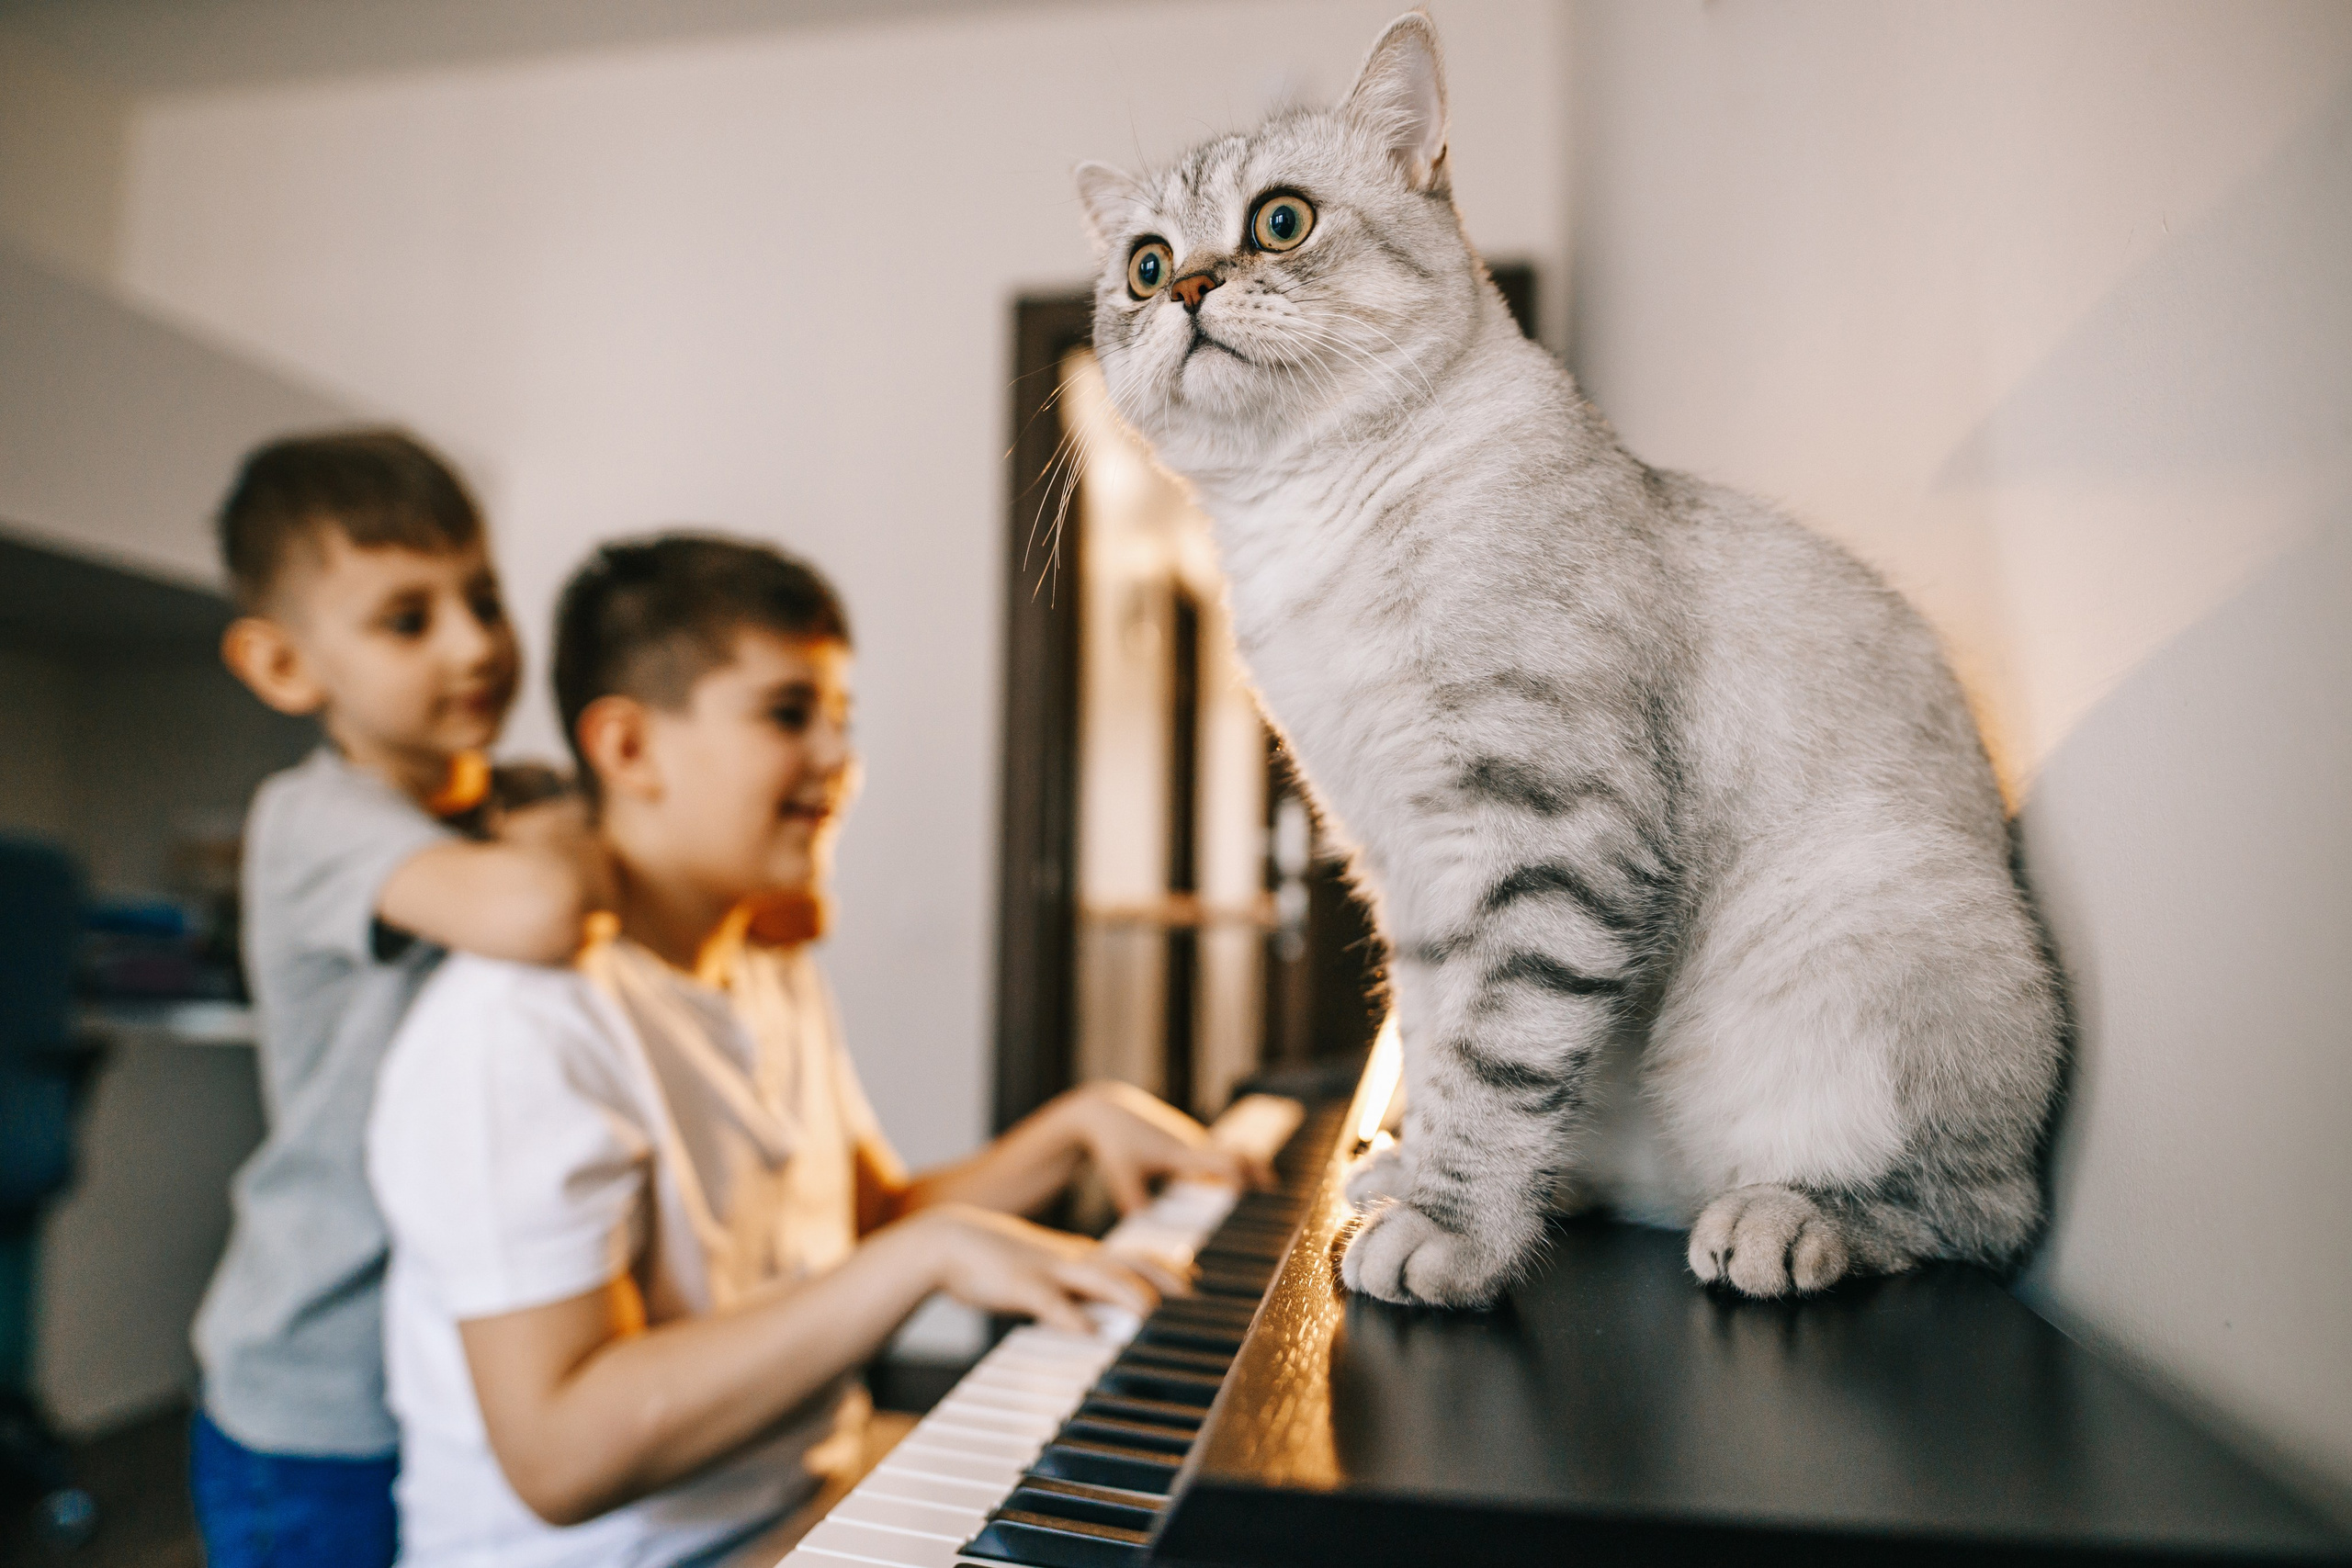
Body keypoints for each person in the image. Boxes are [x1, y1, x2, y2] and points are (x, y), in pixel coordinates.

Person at [366, 533, 1251, 1567]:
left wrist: (1073, 1128)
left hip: (808, 1506)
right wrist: (921, 1258)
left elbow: (863, 1225)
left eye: (843, 719)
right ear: (628, 749)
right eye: (789, 713)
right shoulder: (518, 1026)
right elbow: (560, 1456)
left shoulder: (767, 959)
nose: (839, 757)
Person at [193, 430, 612, 1568]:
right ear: (285, 667)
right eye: (407, 619)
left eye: (483, 596)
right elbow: (539, 910)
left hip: (449, 1372)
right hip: (318, 1397)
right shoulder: (311, 817)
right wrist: (564, 827)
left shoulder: (512, 805)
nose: (475, 643)